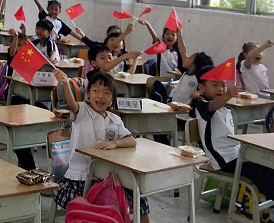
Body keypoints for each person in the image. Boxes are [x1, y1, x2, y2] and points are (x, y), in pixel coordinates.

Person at [51, 69, 149, 223]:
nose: (101, 96)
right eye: (95, 91)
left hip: (107, 178)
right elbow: (72, 104)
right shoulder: (82, 111)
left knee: (140, 198)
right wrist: (65, 84)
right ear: (88, 94)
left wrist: (114, 143)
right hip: (80, 179)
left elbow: (131, 140)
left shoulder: (114, 119)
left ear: (112, 99)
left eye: (106, 93)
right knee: (106, 203)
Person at [194, 65, 274, 201]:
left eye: (223, 85)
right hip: (223, 160)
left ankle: (266, 201)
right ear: (202, 88)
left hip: (236, 154)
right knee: (263, 171)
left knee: (267, 163)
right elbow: (213, 106)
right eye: (215, 85)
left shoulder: (227, 108)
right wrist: (229, 94)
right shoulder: (202, 105)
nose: (220, 89)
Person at [171, 52, 212, 129]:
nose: (186, 58)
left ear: (193, 66)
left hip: (185, 117)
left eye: (189, 58)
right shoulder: (185, 72)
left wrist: (200, 92)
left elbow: (208, 91)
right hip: (175, 112)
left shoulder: (198, 78)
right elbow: (182, 51)